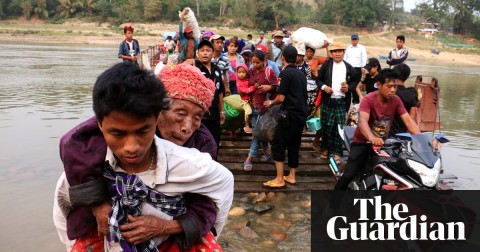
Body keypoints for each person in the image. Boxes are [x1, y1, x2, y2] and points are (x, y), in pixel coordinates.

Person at [53, 63, 233, 251]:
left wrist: (167, 227)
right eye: (180, 113)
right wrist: (95, 207)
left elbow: (216, 191)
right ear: (159, 111)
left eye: (197, 117)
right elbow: (63, 199)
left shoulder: (199, 152)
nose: (187, 127)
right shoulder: (90, 153)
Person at [334, 69, 420, 190]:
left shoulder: (396, 100)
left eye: (395, 87)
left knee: (395, 172)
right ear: (379, 85)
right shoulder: (369, 99)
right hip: (363, 142)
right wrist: (371, 138)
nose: (393, 90)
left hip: (384, 143)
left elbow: (408, 120)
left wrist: (421, 139)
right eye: (389, 86)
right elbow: (363, 121)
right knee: (349, 174)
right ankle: (332, 205)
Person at [263, 45, 308, 188]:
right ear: (296, 58)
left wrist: (271, 102)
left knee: (278, 144)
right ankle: (292, 176)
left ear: (283, 58)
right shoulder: (301, 74)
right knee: (294, 145)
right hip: (301, 115)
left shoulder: (285, 73)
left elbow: (281, 98)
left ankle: (279, 179)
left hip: (289, 115)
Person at [316, 43, 357, 164]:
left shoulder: (349, 67)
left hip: (341, 102)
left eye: (340, 51)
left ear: (343, 52)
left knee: (338, 128)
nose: (337, 54)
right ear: (331, 53)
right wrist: (324, 87)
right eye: (334, 51)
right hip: (328, 101)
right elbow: (318, 80)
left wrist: (349, 88)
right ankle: (326, 150)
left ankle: (337, 153)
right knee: (327, 126)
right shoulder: (326, 65)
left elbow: (355, 82)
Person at [243, 50, 279, 172]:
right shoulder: (250, 71)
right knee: (258, 132)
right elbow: (246, 85)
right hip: (254, 106)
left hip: (265, 108)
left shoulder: (269, 71)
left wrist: (269, 87)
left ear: (264, 61)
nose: (255, 65)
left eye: (258, 62)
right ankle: (267, 151)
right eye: (253, 62)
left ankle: (249, 158)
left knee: (257, 134)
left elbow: (277, 86)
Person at [193, 40, 226, 156]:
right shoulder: (194, 69)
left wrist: (222, 110)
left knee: (215, 142)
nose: (205, 53)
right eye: (202, 51)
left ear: (213, 53)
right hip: (200, 115)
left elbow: (220, 91)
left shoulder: (217, 69)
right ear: (198, 53)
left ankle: (213, 164)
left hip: (215, 114)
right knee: (200, 144)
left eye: (208, 50)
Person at [389, 63, 418, 136]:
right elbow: (412, 121)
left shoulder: (387, 92)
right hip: (402, 136)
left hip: (384, 134)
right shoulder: (411, 96)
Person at [344, 33, 367, 105]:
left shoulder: (361, 48)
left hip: (357, 69)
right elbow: (345, 58)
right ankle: (347, 101)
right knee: (348, 84)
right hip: (348, 69)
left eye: (355, 39)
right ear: (351, 40)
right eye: (353, 39)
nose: (354, 41)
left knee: (356, 86)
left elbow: (364, 58)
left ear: (358, 40)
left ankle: (356, 102)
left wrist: (363, 68)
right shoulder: (348, 48)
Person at [236, 63, 254, 133]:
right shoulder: (239, 83)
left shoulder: (247, 79)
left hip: (250, 100)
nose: (241, 74)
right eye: (239, 72)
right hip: (244, 101)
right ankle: (247, 125)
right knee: (248, 111)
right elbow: (246, 91)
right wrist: (254, 87)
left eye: (243, 72)